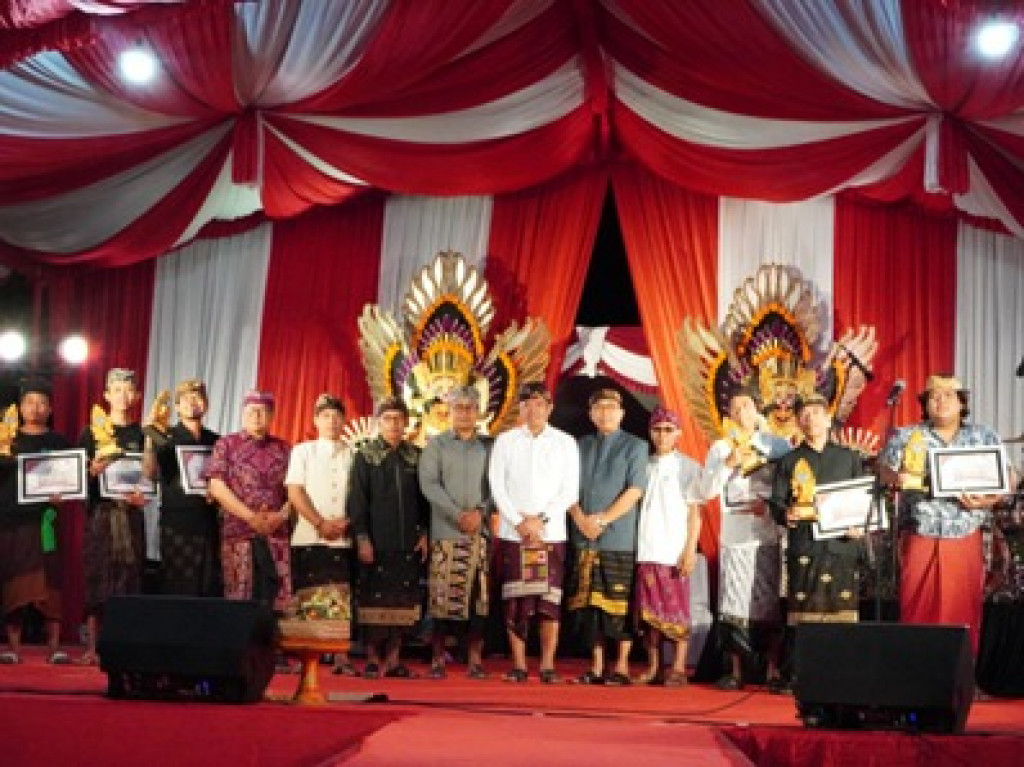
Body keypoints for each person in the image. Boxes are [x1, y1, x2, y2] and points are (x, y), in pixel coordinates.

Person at [879, 375, 1008, 655]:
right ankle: (916, 674)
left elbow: (1007, 476)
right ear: (925, 404)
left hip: (964, 533)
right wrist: (896, 477)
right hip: (920, 531)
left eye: (949, 395)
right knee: (917, 607)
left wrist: (989, 498)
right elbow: (884, 469)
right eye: (933, 396)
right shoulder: (907, 435)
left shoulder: (983, 436)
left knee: (962, 610)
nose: (940, 401)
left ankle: (959, 674)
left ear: (962, 402)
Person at [696, 389, 792, 691]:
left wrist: (771, 506)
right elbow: (705, 491)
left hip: (767, 533)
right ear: (728, 415)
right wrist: (727, 464)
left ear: (757, 410)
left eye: (746, 406)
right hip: (735, 534)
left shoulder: (777, 445)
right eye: (735, 408)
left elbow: (790, 486)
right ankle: (735, 671)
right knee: (733, 603)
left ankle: (772, 671)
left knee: (769, 603)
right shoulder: (720, 447)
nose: (741, 413)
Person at [768, 392, 865, 690]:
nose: (810, 419)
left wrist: (859, 526)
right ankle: (797, 675)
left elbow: (861, 500)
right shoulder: (789, 461)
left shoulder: (849, 458)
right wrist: (786, 513)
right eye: (804, 415)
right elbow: (777, 502)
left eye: (816, 414)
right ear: (798, 421)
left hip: (841, 545)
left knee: (841, 610)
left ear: (828, 418)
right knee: (803, 611)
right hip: (805, 544)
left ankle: (842, 675)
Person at [488, 382, 579, 684]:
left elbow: (570, 490)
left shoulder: (565, 443)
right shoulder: (505, 441)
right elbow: (497, 486)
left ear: (550, 408)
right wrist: (519, 521)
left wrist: (540, 520)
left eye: (539, 404)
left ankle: (548, 665)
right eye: (527, 404)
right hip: (514, 533)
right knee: (515, 601)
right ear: (520, 407)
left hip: (550, 534)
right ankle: (518, 665)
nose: (533, 410)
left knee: (548, 602)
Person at [566, 388, 647, 686]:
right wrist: (579, 518)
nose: (605, 413)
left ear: (622, 413)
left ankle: (622, 666)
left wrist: (602, 520)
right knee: (590, 607)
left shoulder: (635, 446)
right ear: (590, 414)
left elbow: (635, 490)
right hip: (584, 535)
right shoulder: (580, 446)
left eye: (611, 407)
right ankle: (597, 666)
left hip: (618, 538)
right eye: (599, 407)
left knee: (618, 605)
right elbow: (565, 487)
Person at [348, 397, 429, 679]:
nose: (393, 424)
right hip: (376, 541)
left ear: (406, 422)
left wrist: (424, 533)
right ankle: (372, 658)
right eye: (387, 419)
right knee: (373, 602)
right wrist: (362, 538)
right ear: (378, 423)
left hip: (407, 542)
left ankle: (394, 660)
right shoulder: (365, 456)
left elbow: (425, 501)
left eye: (398, 419)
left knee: (402, 603)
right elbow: (357, 501)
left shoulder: (416, 456)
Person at [418, 386, 493, 679]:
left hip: (478, 534)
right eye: (458, 407)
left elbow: (499, 484)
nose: (464, 413)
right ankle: (437, 659)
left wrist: (481, 513)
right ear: (449, 412)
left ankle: (475, 660)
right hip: (445, 532)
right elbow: (429, 485)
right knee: (441, 599)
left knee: (478, 601)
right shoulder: (436, 445)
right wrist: (457, 514)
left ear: (478, 412)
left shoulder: (489, 447)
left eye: (469, 407)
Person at [77, 368, 147, 665]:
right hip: (101, 514)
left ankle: (124, 646)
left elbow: (149, 476)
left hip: (130, 514)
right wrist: (91, 472)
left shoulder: (142, 435)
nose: (123, 396)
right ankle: (92, 647)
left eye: (128, 390)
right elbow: (77, 478)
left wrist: (144, 495)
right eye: (117, 390)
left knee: (130, 579)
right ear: (107, 395)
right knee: (99, 578)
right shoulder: (91, 432)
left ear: (137, 396)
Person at [284, 393, 356, 675]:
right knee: (310, 595)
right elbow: (295, 491)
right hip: (309, 535)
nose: (332, 421)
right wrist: (319, 523)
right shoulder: (303, 451)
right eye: (326, 416)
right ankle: (307, 656)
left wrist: (347, 522)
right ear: (315, 420)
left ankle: (340, 656)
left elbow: (361, 495)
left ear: (344, 420)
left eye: (337, 416)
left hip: (344, 536)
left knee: (340, 596)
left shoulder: (354, 453)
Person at [0, 379, 70, 665]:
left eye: (42, 403)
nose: (36, 408)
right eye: (29, 402)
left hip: (45, 521)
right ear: (20, 407)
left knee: (51, 584)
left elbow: (69, 479)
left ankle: (54, 648)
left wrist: (62, 495)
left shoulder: (58, 442)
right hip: (12, 521)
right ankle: (12, 649)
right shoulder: (6, 439)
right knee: (14, 584)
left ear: (50, 409)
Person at [633, 406, 703, 687]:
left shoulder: (689, 467)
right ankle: (653, 667)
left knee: (677, 609)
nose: (662, 435)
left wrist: (689, 549)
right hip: (646, 547)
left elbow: (694, 514)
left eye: (668, 430)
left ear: (678, 434)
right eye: (657, 430)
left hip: (674, 550)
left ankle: (678, 667)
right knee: (649, 614)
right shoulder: (642, 464)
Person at [206, 390, 292, 613]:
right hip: (239, 533)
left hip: (276, 533)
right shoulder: (226, 445)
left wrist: (281, 515)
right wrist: (251, 517)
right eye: (251, 411)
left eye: (262, 411)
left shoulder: (285, 449)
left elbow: (295, 490)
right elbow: (217, 486)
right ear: (243, 414)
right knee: (239, 601)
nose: (256, 416)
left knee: (275, 602)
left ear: (272, 416)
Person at [143, 379, 221, 597]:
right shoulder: (166, 436)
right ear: (176, 407)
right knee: (178, 587)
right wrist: (149, 435)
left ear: (206, 404)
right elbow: (149, 473)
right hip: (177, 522)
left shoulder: (216, 440)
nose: (192, 402)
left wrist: (216, 494)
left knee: (208, 586)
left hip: (209, 520)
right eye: (186, 398)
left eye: (198, 397)